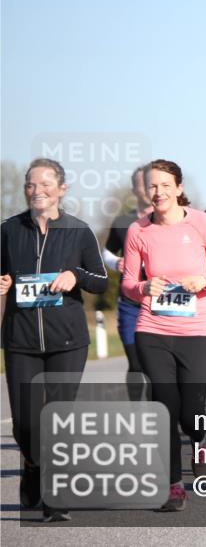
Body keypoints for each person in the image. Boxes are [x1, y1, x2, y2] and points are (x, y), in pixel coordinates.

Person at [121, 160, 206, 511]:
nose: (158, 192)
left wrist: (205, 281)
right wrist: (144, 285)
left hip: (197, 330)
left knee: (190, 413)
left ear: (179, 187)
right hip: (152, 329)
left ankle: (201, 439)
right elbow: (128, 284)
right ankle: (174, 487)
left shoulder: (201, 222)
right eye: (152, 186)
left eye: (165, 185)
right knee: (165, 410)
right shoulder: (137, 231)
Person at [1, 158, 109, 521]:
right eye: (31, 184)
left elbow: (100, 280)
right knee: (26, 424)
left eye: (46, 183)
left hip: (67, 342)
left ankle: (55, 498)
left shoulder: (79, 231)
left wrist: (74, 275)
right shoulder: (8, 230)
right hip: (20, 340)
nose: (37, 190)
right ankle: (32, 462)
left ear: (62, 189)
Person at [103, 165, 154, 401]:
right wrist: (116, 263)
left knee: (158, 366)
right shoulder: (124, 221)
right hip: (131, 303)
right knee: (136, 363)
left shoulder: (173, 220)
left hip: (163, 302)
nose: (146, 188)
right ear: (134, 188)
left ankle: (164, 413)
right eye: (141, 184)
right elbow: (106, 252)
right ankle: (136, 412)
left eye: (150, 182)